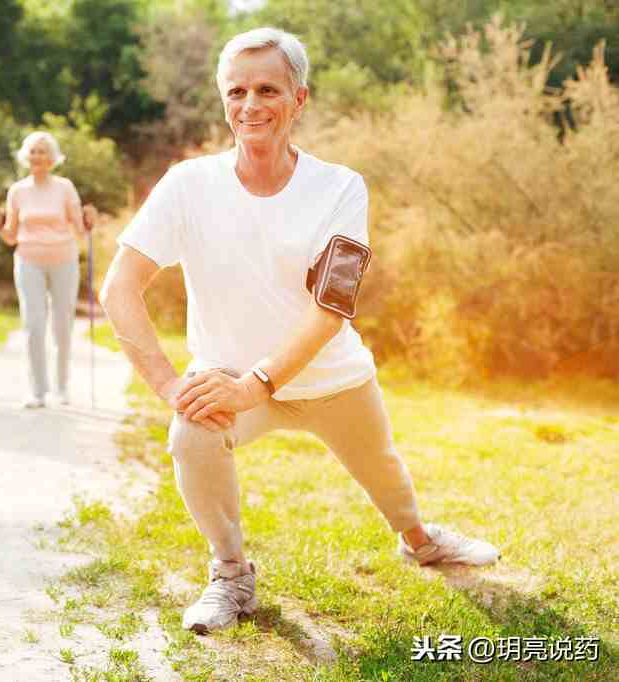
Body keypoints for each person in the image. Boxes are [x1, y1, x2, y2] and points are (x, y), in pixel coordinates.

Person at [99, 27, 500, 635]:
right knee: (191, 434)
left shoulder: (339, 187)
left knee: (384, 471)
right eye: (237, 91)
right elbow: (120, 286)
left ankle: (419, 541)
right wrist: (168, 384)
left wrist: (258, 384)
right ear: (223, 100)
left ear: (299, 98)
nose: (251, 104)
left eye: (268, 89)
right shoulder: (188, 184)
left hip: (330, 376)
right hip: (227, 377)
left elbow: (332, 305)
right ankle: (231, 575)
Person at [0, 131, 98, 408]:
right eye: (33, 151)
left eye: (43, 151)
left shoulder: (65, 187)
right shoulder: (17, 191)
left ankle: (61, 388)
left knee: (62, 326)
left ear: (52, 158)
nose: (37, 156)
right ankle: (38, 391)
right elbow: (11, 237)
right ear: (27, 156)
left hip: (64, 260)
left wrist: (89, 220)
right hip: (28, 260)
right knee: (34, 325)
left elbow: (80, 230)